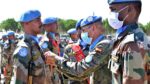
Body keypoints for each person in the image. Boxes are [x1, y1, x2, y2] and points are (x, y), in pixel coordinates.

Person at [45, 16, 113, 84]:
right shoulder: (95, 46)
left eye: (83, 30)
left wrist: (56, 59)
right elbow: (79, 76)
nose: (81, 33)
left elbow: (81, 70)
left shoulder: (104, 45)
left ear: (93, 28)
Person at [107, 0, 150, 84]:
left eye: (113, 9)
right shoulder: (124, 38)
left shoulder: (132, 43)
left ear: (129, 9)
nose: (110, 14)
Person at [11, 10, 52, 84]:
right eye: (37, 20)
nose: (41, 23)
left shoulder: (35, 45)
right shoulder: (24, 49)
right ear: (26, 23)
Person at [42, 17, 62, 84]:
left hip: (54, 71)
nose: (57, 26)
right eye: (55, 24)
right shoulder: (45, 42)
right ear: (47, 26)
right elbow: (49, 59)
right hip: (48, 74)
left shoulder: (53, 39)